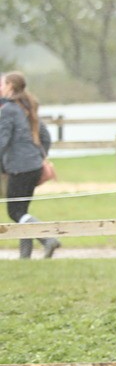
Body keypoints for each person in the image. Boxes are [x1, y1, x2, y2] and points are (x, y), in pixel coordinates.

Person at [0, 72, 59, 259]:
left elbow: (2, 140)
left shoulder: (8, 110)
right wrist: (39, 158)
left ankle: (48, 239)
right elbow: (45, 137)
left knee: (14, 212)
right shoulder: (26, 107)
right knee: (22, 212)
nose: (0, 87)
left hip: (20, 167)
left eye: (2, 84)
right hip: (32, 166)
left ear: (10, 86)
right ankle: (24, 257)